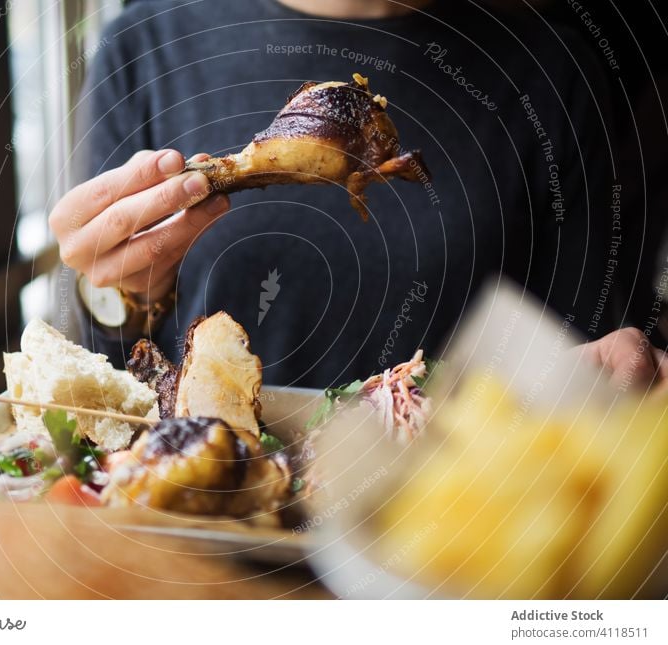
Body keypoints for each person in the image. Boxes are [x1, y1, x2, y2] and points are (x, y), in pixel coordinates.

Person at [50, 0, 619, 388]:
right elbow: (110, 350)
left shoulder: (552, 74)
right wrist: (120, 289)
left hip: (457, 529)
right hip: (204, 517)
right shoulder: (149, 43)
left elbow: (588, 359)